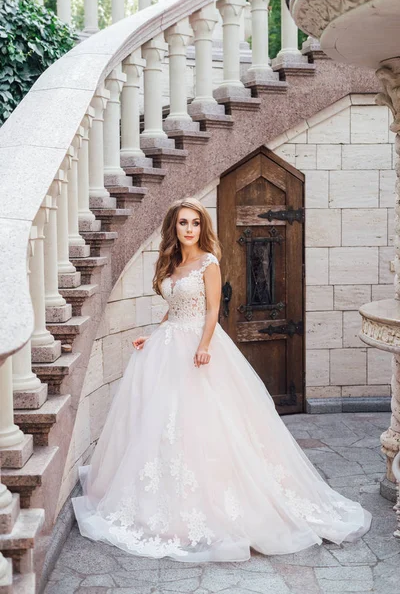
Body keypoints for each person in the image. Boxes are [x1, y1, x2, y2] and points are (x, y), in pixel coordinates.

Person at [72, 197, 372, 562]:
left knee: (207, 423)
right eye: (183, 223)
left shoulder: (208, 262)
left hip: (200, 346)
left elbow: (212, 309)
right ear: (174, 227)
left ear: (202, 227)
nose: (189, 229)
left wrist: (203, 345)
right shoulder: (173, 263)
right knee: (164, 423)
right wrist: (152, 336)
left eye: (195, 223)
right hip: (168, 345)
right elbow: (175, 307)